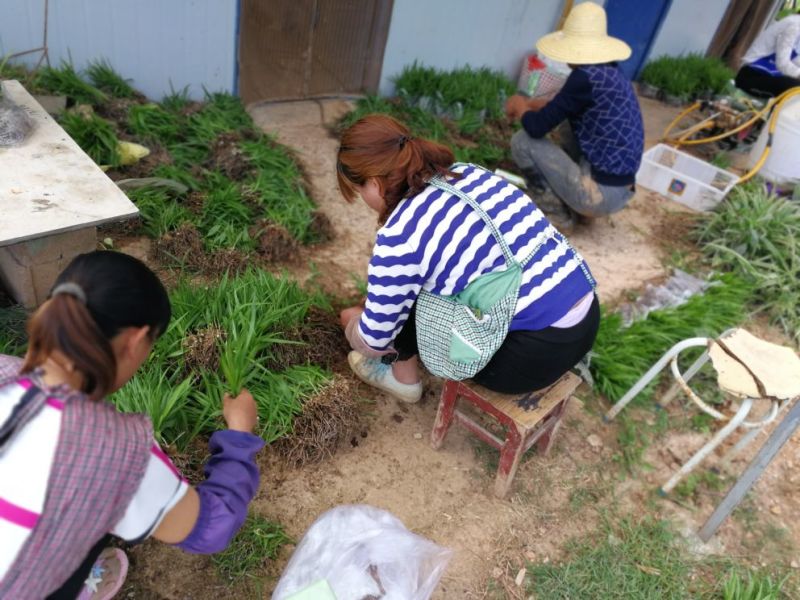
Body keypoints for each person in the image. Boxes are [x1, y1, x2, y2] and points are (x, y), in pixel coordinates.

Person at [0, 251, 264, 599]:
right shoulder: (113, 453)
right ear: (136, 342)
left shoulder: (6, 371)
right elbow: (212, 527)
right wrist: (239, 435)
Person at [336, 114, 600, 403]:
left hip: (528, 361)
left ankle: (403, 380)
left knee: (408, 295)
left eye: (358, 190)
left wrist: (353, 325)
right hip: (585, 323)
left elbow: (374, 340)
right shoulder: (467, 173)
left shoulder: (399, 235)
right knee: (439, 271)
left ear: (373, 183)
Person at [505, 1, 644, 229]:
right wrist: (532, 104)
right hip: (622, 189)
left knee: (522, 141)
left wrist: (520, 105)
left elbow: (536, 127)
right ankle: (580, 208)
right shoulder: (611, 72)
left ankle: (557, 216)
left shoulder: (584, 78)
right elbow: (561, 105)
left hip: (599, 196)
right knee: (569, 124)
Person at [736, 12, 800, 97]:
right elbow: (782, 64)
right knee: (794, 87)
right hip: (752, 76)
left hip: (769, 77)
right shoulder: (795, 25)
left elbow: (796, 62)